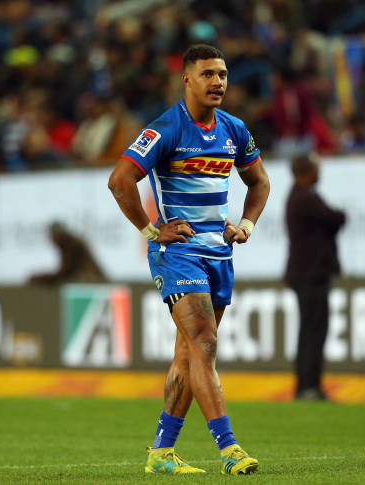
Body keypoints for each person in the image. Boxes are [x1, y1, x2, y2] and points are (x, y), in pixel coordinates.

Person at [108, 44, 270, 475]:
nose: (217, 82)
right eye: (207, 74)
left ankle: (161, 454)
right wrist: (150, 229)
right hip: (177, 252)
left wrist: (246, 225)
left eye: (222, 74)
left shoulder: (234, 130)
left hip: (219, 251)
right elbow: (120, 180)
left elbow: (259, 183)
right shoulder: (165, 130)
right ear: (187, 79)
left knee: (188, 353)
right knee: (205, 342)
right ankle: (230, 449)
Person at [284, 153, 346, 401]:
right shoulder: (305, 198)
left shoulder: (299, 196)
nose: (319, 172)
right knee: (313, 332)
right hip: (310, 274)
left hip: (305, 273)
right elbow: (336, 217)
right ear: (305, 171)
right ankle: (309, 386)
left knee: (308, 331)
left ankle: (305, 385)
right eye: (315, 168)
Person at [28, 221, 107, 284]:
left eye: (52, 235)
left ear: (58, 235)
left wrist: (42, 279)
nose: (51, 239)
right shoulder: (69, 244)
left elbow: (66, 272)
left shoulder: (71, 245)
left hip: (91, 283)